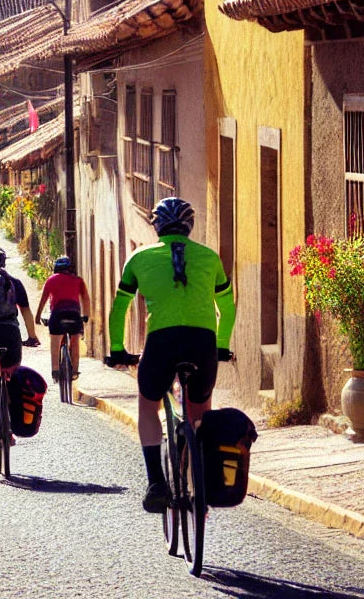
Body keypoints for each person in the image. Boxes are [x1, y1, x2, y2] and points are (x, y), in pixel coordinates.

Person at [105, 196, 236, 514]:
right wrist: (221, 345)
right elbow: (227, 307)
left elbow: (119, 307)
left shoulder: (139, 258)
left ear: (157, 226)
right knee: (200, 411)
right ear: (189, 227)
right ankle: (199, 482)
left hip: (162, 342)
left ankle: (156, 483)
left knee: (148, 406)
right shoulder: (210, 257)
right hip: (202, 342)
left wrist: (118, 350)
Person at [34, 255, 91, 382]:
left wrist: (37, 317)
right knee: (75, 342)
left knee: (55, 342)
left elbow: (43, 299)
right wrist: (86, 315)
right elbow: (86, 298)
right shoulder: (78, 280)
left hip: (58, 315)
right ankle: (75, 371)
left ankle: (55, 370)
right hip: (74, 315)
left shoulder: (51, 279)